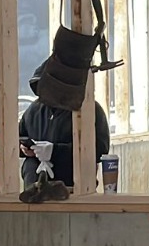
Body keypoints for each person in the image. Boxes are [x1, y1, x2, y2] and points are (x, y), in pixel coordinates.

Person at [18, 64, 110, 193]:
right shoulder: (33, 110)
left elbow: (100, 148)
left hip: (74, 190)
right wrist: (24, 148)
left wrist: (55, 151)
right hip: (34, 191)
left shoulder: (89, 110)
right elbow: (18, 139)